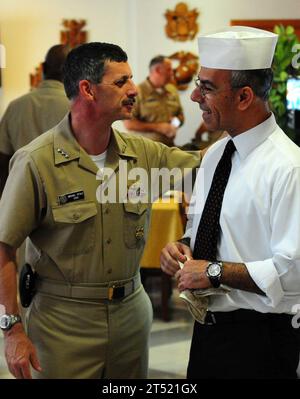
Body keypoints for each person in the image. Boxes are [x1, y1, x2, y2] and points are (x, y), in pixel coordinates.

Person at [0, 42, 200, 379]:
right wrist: (12, 328)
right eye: (121, 82)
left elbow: (203, 167)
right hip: (63, 324)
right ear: (87, 90)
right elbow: (4, 247)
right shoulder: (37, 161)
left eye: (132, 79)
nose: (134, 90)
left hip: (131, 318)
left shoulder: (144, 155)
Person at [160, 26, 300, 379]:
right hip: (209, 328)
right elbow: (202, 231)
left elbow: (293, 271)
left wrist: (212, 271)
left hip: (263, 337)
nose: (194, 97)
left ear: (244, 97)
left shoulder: (289, 168)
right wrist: (181, 248)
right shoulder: (215, 154)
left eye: (207, 88)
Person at [0, 44, 70, 196]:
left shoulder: (15, 107)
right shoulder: (77, 108)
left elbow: (2, 160)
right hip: (67, 197)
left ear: (43, 68)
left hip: (21, 195)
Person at [124, 55, 184, 146]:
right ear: (158, 70)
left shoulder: (172, 90)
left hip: (169, 148)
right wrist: (159, 127)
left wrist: (175, 123)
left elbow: (181, 115)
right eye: (169, 70)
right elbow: (129, 124)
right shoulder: (137, 92)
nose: (172, 73)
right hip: (144, 150)